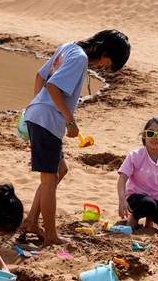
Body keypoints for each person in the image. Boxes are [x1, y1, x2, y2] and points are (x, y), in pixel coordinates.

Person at [19, 29, 131, 246]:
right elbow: (52, 85)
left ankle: (32, 220)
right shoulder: (80, 58)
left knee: (60, 170)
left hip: (42, 117)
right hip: (48, 121)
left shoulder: (68, 47)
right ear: (105, 50)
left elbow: (40, 76)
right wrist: (69, 119)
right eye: (109, 61)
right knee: (49, 181)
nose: (104, 66)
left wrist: (37, 105)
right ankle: (51, 237)